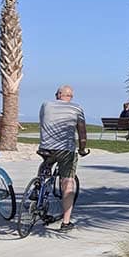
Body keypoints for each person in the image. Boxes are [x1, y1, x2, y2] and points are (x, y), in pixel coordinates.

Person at [39, 85, 89, 231]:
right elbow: (82, 132)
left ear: (58, 95)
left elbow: (43, 122)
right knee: (67, 182)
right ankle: (66, 223)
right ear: (70, 96)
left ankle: (38, 188)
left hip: (46, 147)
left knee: (46, 164)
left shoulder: (45, 105)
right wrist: (81, 148)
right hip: (66, 150)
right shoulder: (77, 108)